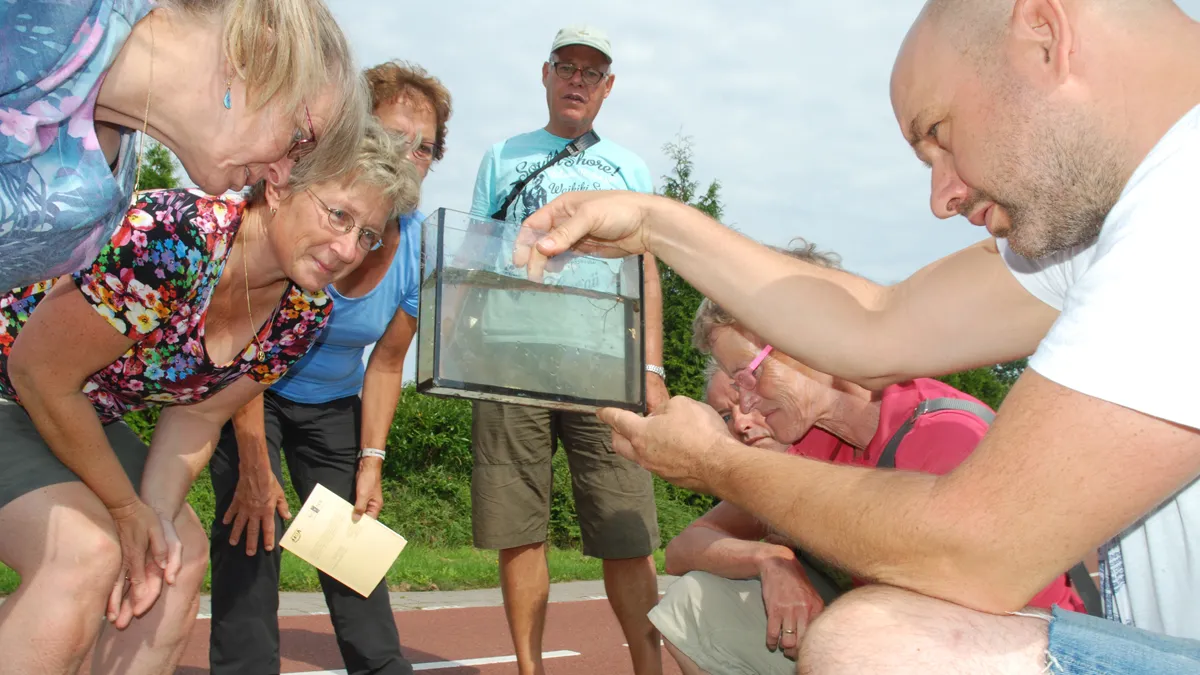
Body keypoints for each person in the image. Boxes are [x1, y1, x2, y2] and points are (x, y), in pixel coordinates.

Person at [516, 0, 1200, 670]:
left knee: (874, 644)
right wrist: (650, 223)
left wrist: (719, 463)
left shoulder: (1180, 216)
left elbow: (975, 547)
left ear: (1045, 36)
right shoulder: (1111, 228)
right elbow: (877, 325)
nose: (943, 196)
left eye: (940, 134)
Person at [0, 118, 419, 675]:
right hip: (17, 386)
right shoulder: (174, 235)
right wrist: (127, 513)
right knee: (86, 554)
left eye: (367, 234)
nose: (349, 249)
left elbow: (199, 414)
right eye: (338, 214)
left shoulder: (302, 315)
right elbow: (39, 372)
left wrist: (154, 516)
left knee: (176, 555)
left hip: (78, 412)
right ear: (281, 181)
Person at [650, 244, 1086, 675]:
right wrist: (771, 559)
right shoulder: (809, 440)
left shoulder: (943, 435)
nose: (743, 407)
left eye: (750, 375)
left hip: (1017, 649)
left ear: (809, 339)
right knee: (694, 604)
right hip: (913, 637)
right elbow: (685, 548)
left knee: (851, 635)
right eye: (733, 386)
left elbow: (992, 620)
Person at [208, 60, 452, 675]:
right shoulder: (303, 216)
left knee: (351, 545)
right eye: (396, 139)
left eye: (425, 148)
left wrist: (371, 463)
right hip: (246, 388)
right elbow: (238, 342)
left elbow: (388, 362)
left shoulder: (421, 248)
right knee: (251, 528)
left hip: (333, 402)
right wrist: (257, 467)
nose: (411, 157)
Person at [466, 25, 666, 675]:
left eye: (592, 72)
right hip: (509, 356)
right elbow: (473, 256)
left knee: (626, 526)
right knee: (518, 526)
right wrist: (461, 345)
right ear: (545, 75)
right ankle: (531, 668)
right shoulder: (500, 156)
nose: (577, 80)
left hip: (602, 360)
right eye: (566, 66)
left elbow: (647, 269)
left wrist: (654, 368)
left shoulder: (630, 168)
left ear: (608, 88)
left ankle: (647, 665)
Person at [0, 0, 367, 292]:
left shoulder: (108, 204)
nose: (281, 175)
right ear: (258, 53)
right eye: (300, 140)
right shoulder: (49, 12)